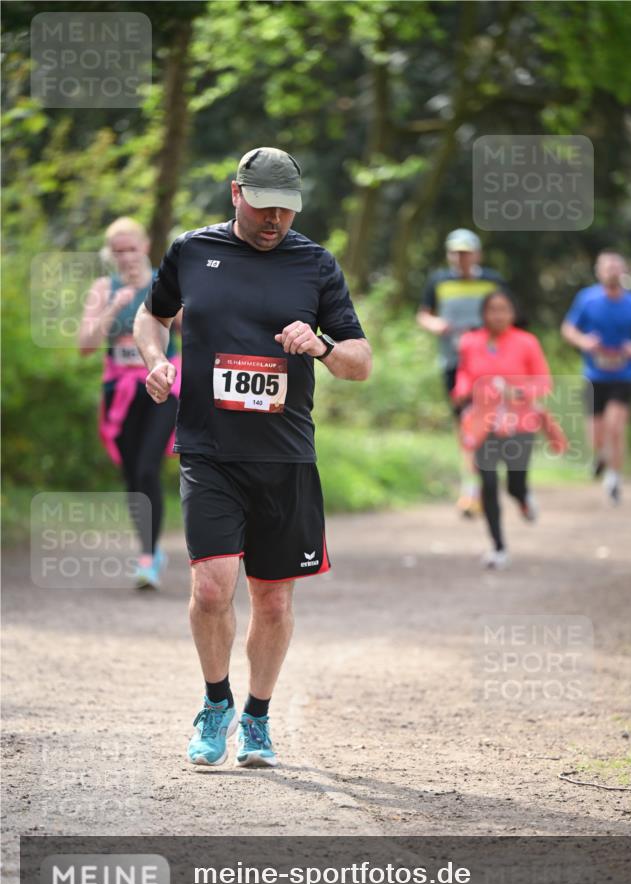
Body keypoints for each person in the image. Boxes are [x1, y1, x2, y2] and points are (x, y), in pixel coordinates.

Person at [133, 147, 372, 768]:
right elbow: (151, 316)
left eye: (286, 210)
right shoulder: (192, 251)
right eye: (265, 207)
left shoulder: (314, 264)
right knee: (212, 588)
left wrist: (319, 345)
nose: (276, 221)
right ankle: (217, 703)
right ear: (236, 193)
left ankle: (259, 720)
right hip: (209, 450)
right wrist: (156, 361)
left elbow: (360, 363)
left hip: (285, 457)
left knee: (272, 600)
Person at [78, 217, 180, 589]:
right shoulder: (104, 287)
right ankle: (149, 547)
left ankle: (148, 559)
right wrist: (114, 305)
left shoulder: (165, 281)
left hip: (162, 385)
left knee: (147, 467)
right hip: (118, 389)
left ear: (145, 246)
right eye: (117, 251)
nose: (124, 257)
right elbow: (85, 345)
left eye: (130, 249)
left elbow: (190, 327)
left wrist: (157, 298)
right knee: (133, 475)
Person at [452, 290, 552, 569]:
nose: (498, 315)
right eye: (492, 309)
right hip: (484, 422)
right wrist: (462, 390)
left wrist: (516, 391)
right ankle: (498, 547)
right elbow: (463, 374)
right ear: (483, 313)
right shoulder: (470, 342)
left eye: (504, 309)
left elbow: (543, 382)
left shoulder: (527, 342)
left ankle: (522, 497)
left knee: (514, 482)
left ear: (513, 313)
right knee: (489, 482)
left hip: (520, 421)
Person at [417, 228, 506, 517]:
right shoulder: (438, 281)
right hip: (453, 364)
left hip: (489, 367)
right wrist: (436, 325)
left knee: (481, 425)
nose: (460, 258)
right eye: (455, 252)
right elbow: (423, 314)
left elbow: (508, 317)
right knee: (465, 427)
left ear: (477, 254)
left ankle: (477, 488)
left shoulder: (492, 282)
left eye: (466, 253)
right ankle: (474, 487)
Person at [561, 250, 631, 504]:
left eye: (616, 266)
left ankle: (614, 478)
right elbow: (568, 328)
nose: (612, 271)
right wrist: (584, 341)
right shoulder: (587, 299)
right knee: (597, 435)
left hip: (624, 374)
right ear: (598, 271)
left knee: (616, 426)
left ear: (623, 271)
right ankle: (601, 457)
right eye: (607, 267)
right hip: (595, 374)